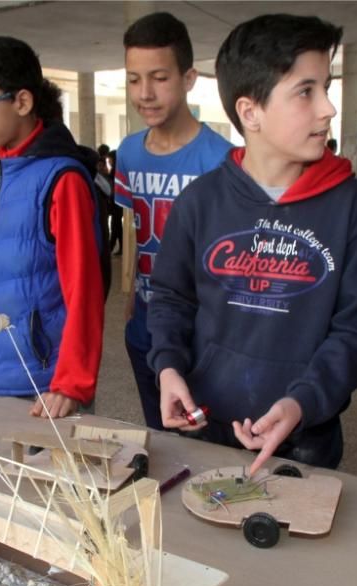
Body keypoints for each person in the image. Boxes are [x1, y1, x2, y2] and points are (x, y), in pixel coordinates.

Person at [147, 14, 357, 475]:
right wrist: (169, 368)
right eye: (306, 92)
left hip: (306, 437)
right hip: (205, 425)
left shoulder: (352, 207)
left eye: (326, 88)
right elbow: (170, 298)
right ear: (250, 112)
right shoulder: (200, 202)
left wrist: (303, 401)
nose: (328, 109)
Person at [0, 36, 105, 418]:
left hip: (46, 386)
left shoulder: (63, 180)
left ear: (22, 102)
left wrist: (71, 384)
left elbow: (85, 291)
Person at [114, 11, 233, 430]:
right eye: (133, 79)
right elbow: (132, 231)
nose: (144, 93)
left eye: (159, 78)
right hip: (144, 326)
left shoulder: (221, 159)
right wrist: (131, 302)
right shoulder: (128, 152)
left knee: (205, 445)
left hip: (202, 334)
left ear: (188, 78)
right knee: (159, 435)